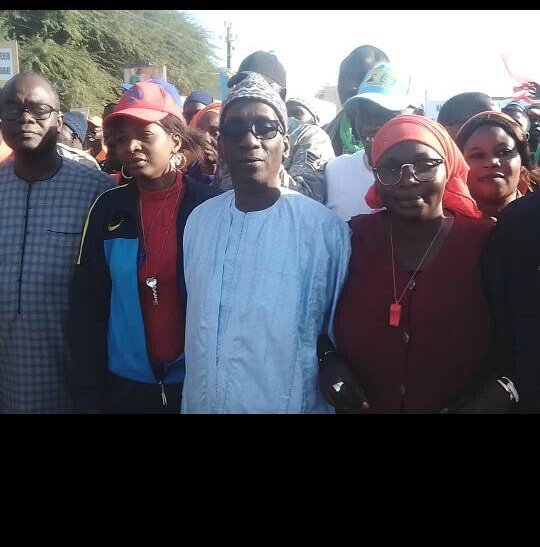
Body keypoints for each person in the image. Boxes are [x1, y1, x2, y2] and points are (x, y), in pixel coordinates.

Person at [318, 115, 518, 414]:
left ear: (448, 167)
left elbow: (523, 335)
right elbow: (310, 319)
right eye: (390, 168)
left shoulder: (488, 243)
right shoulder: (349, 238)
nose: (408, 178)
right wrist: (327, 360)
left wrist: (499, 395)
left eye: (425, 165)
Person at [181, 73, 351, 414]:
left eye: (265, 127)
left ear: (285, 144)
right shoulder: (199, 222)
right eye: (234, 129)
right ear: (222, 144)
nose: (249, 140)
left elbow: (337, 333)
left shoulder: (322, 230)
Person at [70, 81, 221, 414]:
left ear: (175, 139)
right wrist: (87, 393)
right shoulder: (107, 209)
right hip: (125, 388)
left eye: (145, 136)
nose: (131, 147)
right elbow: (88, 306)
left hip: (197, 385)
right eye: (122, 139)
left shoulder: (210, 208)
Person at [0, 72, 114, 413]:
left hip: (73, 381)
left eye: (38, 109)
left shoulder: (95, 192)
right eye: (12, 110)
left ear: (59, 121)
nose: (25, 119)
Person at [219, 50, 335, 203]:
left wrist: (264, 159)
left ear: (282, 94)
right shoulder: (232, 133)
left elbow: (310, 196)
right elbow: (224, 189)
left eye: (263, 84)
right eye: (242, 83)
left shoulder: (310, 136)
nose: (251, 87)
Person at [325, 62, 416, 221]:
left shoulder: (428, 178)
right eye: (363, 113)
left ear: (416, 115)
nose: (371, 124)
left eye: (385, 113)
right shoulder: (335, 171)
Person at [456, 111, 540, 220]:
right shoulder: (443, 229)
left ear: (522, 160)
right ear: (459, 164)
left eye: (503, 152)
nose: (491, 162)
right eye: (477, 155)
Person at [324, 45, 389, 156]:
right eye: (346, 78)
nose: (352, 87)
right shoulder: (321, 138)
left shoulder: (405, 142)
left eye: (363, 77)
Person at [187, 103, 221, 184]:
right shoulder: (185, 179)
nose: (205, 139)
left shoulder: (238, 182)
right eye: (200, 133)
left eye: (215, 133)